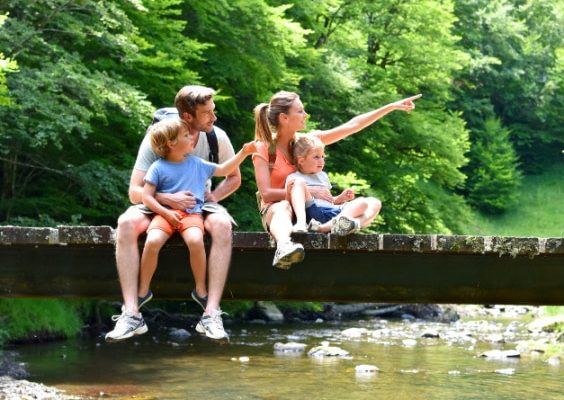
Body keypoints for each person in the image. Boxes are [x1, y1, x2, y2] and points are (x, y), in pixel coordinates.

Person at [106, 85, 240, 342]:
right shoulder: (159, 137)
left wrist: (214, 196)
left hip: (198, 204)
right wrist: (167, 199)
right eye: (207, 113)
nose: (214, 117)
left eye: (214, 111)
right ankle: (132, 313)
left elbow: (233, 177)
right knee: (125, 222)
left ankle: (211, 313)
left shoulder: (217, 137)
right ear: (187, 117)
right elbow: (135, 191)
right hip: (157, 201)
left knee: (223, 224)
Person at [252, 91, 421, 269]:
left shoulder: (306, 142)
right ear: (284, 117)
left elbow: (352, 125)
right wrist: (309, 192)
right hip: (280, 213)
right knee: (282, 206)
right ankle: (284, 246)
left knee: (370, 203)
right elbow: (266, 194)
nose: (306, 115)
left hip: (313, 213)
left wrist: (391, 107)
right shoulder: (263, 148)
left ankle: (343, 225)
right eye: (300, 111)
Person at [137, 118, 255, 340]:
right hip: (164, 213)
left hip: (191, 214)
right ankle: (143, 291)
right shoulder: (157, 167)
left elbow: (223, 170)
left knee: (195, 240)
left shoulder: (197, 163)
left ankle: (200, 290)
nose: (191, 137)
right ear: (171, 143)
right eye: (185, 135)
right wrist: (165, 212)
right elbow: (146, 196)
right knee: (152, 242)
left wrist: (243, 152)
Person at [285, 135, 381, 235]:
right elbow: (289, 199)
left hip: (331, 215)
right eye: (316, 157)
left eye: (322, 156)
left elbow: (329, 201)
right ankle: (301, 224)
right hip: (312, 211)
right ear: (301, 161)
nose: (321, 161)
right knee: (298, 182)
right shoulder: (294, 177)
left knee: (372, 203)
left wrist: (340, 198)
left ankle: (327, 227)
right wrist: (311, 190)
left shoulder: (323, 176)